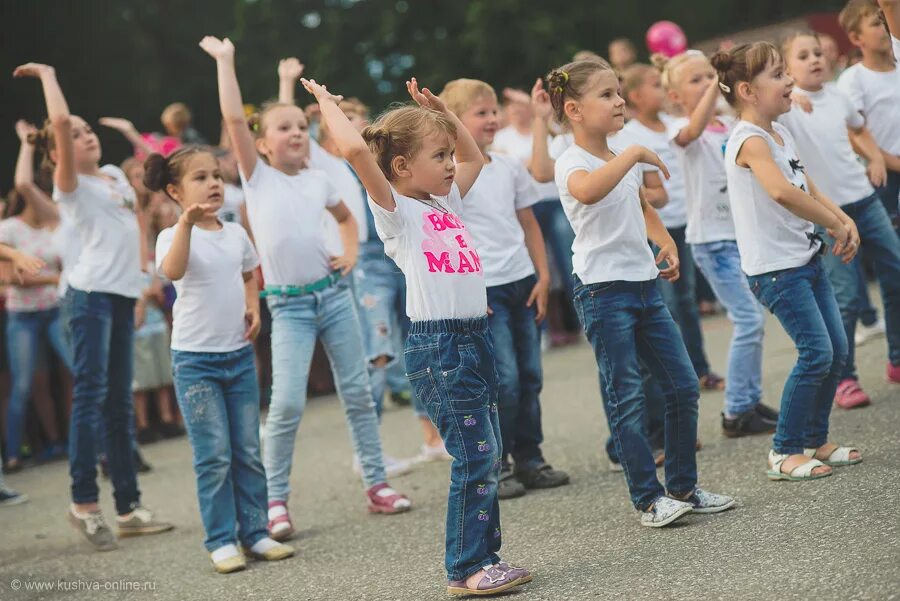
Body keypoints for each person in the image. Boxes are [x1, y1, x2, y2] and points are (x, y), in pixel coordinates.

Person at [305, 73, 533, 595]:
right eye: (439, 157)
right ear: (404, 167)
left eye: (449, 156)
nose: (453, 165)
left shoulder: (445, 204)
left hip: (475, 337)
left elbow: (474, 159)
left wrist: (445, 117)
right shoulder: (398, 214)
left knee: (488, 452)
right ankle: (468, 566)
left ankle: (482, 558)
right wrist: (324, 102)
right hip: (441, 346)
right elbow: (356, 153)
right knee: (475, 456)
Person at [201, 37, 411, 543]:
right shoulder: (257, 178)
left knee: (358, 393)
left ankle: (376, 484)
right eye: (283, 127)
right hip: (289, 306)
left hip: (334, 297)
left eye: (301, 125)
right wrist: (227, 62)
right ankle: (276, 501)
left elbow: (344, 219)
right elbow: (234, 120)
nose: (295, 132)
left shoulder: (320, 179)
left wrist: (352, 253)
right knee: (288, 402)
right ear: (263, 143)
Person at [547, 58, 734, 527]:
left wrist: (663, 238)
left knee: (683, 384)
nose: (619, 101)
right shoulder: (573, 161)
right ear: (573, 108)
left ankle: (684, 488)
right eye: (607, 95)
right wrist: (631, 156)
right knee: (626, 394)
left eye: (618, 93)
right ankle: (648, 500)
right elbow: (588, 192)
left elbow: (639, 201)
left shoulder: (619, 154)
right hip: (603, 291)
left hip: (645, 285)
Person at [14, 61, 174, 551]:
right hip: (87, 300)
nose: (86, 137)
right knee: (91, 397)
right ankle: (83, 504)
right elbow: (58, 124)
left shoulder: (110, 176)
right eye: (77, 135)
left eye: (89, 132)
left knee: (118, 402)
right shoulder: (72, 187)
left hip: (123, 297)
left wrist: (142, 284)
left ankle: (127, 506)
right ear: (59, 154)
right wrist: (47, 77)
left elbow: (147, 208)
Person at [712, 41, 863, 480]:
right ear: (747, 90)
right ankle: (784, 451)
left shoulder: (781, 132)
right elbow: (781, 192)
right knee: (815, 352)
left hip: (805, 258)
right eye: (777, 75)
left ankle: (815, 440)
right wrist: (833, 226)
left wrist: (841, 218)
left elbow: (807, 184)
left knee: (835, 351)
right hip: (776, 270)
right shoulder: (747, 139)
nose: (790, 81)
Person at [150, 146, 294, 574]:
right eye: (200, 177)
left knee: (247, 450)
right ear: (175, 190)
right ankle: (221, 539)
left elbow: (249, 273)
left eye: (216, 175)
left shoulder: (235, 232)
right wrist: (186, 225)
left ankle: (255, 532)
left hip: (237, 356)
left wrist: (252, 305)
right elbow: (173, 271)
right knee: (213, 455)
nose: (213, 183)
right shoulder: (173, 234)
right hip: (196, 362)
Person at [277, 56, 419, 475]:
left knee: (415, 343)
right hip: (362, 265)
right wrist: (294, 88)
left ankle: (431, 437)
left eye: (357, 117)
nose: (353, 123)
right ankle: (367, 453)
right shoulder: (327, 164)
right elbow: (280, 129)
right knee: (376, 353)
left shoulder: (379, 163)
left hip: (396, 254)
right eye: (344, 117)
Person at [440, 78, 570, 500]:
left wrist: (544, 275)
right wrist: (467, 292)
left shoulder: (510, 165)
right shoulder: (453, 178)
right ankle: (499, 462)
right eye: (480, 113)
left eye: (493, 110)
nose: (492, 119)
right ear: (455, 123)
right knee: (504, 381)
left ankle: (531, 457)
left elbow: (528, 222)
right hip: (486, 292)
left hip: (522, 283)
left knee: (531, 376)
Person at [655, 51, 780, 435]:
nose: (708, 82)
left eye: (710, 75)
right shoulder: (679, 128)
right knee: (748, 318)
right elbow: (690, 133)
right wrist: (717, 81)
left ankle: (748, 398)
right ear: (675, 97)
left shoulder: (728, 125)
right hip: (711, 241)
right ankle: (735, 412)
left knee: (753, 321)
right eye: (695, 80)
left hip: (740, 236)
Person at [782, 30, 900, 403]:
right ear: (787, 69)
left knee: (896, 270)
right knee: (847, 297)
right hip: (828, 211)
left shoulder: (838, 95)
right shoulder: (788, 107)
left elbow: (859, 128)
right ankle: (845, 378)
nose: (814, 59)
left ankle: (896, 359)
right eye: (803, 55)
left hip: (864, 200)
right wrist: (789, 94)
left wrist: (876, 156)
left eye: (817, 52)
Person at [622, 61, 731, 396]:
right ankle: (675, 374)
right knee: (668, 304)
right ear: (636, 96)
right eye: (654, 85)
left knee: (686, 301)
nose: (660, 91)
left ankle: (698, 370)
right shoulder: (631, 135)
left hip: (689, 220)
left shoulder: (673, 123)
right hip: (660, 229)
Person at [1, 120, 74, 471]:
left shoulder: (53, 226)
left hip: (55, 310)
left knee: (77, 371)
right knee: (24, 384)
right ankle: (14, 455)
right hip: (23, 317)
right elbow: (12, 278)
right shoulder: (9, 229)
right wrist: (56, 276)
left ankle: (80, 443)